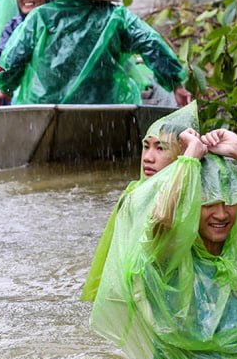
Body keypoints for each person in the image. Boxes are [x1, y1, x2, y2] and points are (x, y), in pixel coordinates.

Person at [89, 127, 237, 359]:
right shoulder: (168, 257)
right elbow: (162, 218)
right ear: (190, 206)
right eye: (208, 203)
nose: (221, 214)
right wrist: (189, 159)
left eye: (229, 202)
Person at [0, 0, 191, 106]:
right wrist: (176, 85)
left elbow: (14, 58)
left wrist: (5, 88)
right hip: (107, 103)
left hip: (46, 103)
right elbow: (151, 42)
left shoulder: (40, 16)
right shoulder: (116, 15)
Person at [80, 102, 198, 301]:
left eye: (161, 148)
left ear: (183, 153)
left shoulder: (196, 198)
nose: (148, 158)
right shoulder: (134, 194)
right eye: (146, 146)